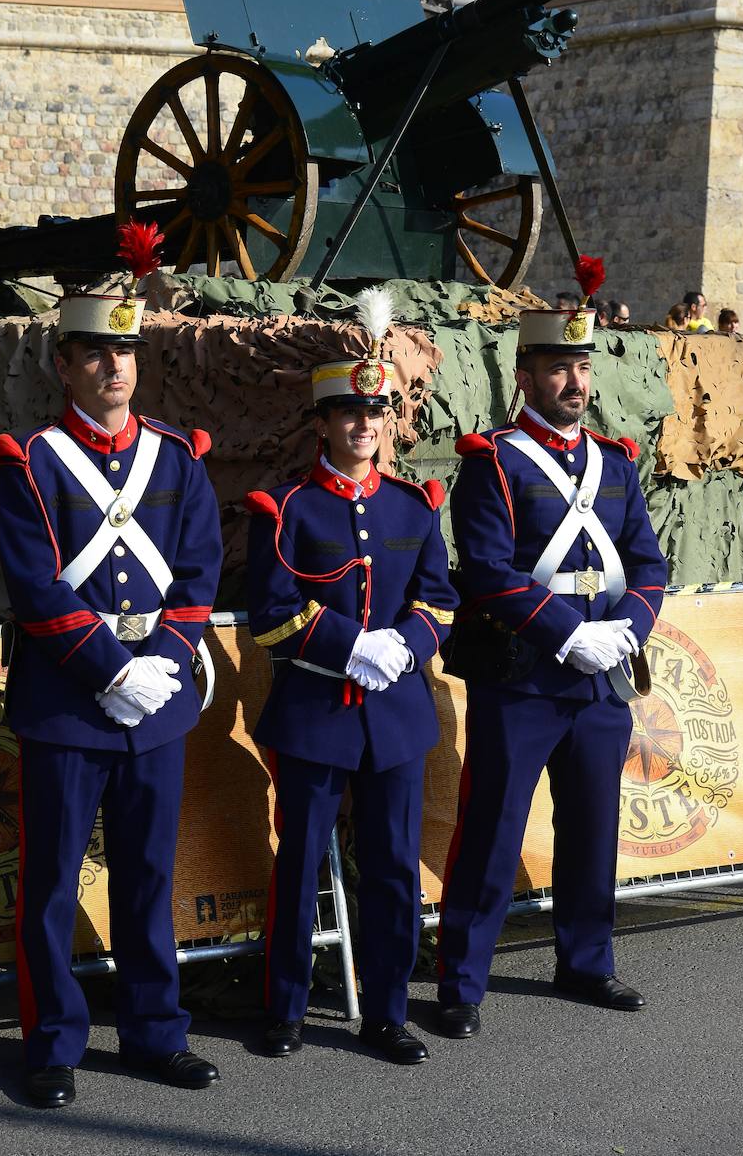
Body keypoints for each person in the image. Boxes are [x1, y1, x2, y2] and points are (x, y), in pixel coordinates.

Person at [0, 221, 223, 1108]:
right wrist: (108, 669)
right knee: (50, 880)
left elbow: (197, 571)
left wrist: (161, 661)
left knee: (150, 876)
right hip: (68, 701)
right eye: (96, 353)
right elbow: (36, 584)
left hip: (157, 699)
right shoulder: (31, 463)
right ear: (66, 363)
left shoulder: (176, 455)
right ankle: (51, 1042)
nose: (114, 369)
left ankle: (155, 1034)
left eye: (125, 352)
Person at [435, 298, 667, 1041]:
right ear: (525, 374)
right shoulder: (492, 461)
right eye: (558, 367)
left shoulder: (613, 461)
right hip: (523, 677)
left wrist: (625, 631)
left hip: (600, 679)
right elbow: (489, 574)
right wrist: (568, 634)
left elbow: (647, 566)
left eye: (582, 366)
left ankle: (587, 961)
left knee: (594, 828)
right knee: (491, 830)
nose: (573, 381)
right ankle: (460, 980)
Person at [246, 287, 458, 1065]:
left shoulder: (412, 505)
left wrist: (406, 642)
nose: (363, 426)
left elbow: (441, 596)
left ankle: (386, 1013)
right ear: (325, 423)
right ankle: (286, 1009)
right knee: (298, 863)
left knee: (395, 870)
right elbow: (269, 609)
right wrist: (346, 646)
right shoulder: (286, 507)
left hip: (396, 717)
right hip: (314, 713)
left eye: (375, 415)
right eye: (348, 415)